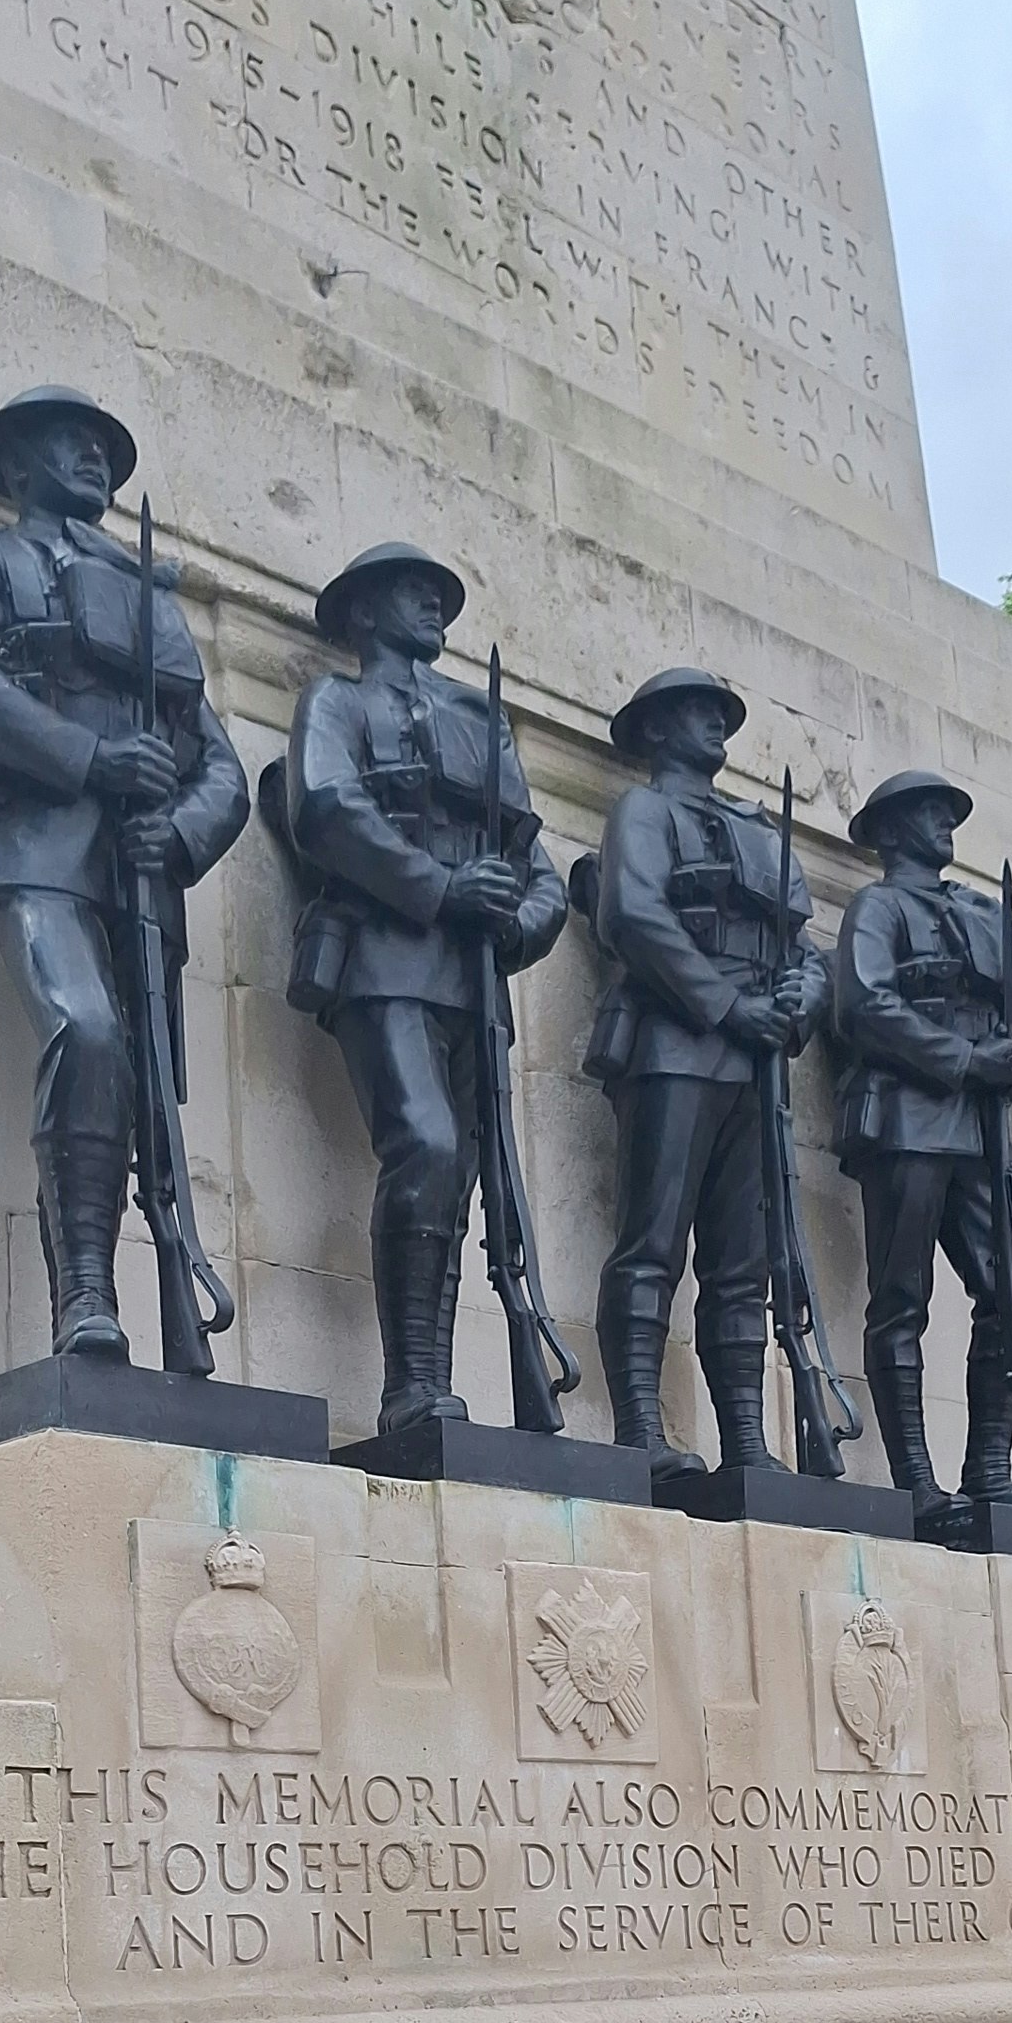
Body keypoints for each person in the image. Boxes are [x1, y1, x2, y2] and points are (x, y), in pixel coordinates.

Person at [0, 384, 250, 1360]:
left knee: (144, 1095)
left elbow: (217, 762)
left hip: (144, 877)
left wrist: (184, 831)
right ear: (19, 465)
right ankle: (86, 1299)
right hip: (37, 846)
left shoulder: (151, 603)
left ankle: (144, 1299)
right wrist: (89, 759)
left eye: (104, 447)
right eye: (72, 444)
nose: (96, 459)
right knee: (86, 1030)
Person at [278, 543, 566, 1437]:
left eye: (440, 595)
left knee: (468, 1178)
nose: (433, 606)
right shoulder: (341, 702)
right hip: (385, 959)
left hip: (476, 982)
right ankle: (410, 1381)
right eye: (413, 594)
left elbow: (538, 866)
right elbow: (326, 805)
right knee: (428, 1149)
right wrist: (440, 888)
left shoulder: (482, 726)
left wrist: (521, 921)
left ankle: (430, 1384)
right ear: (363, 613)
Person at [579, 670, 827, 1479]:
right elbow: (633, 915)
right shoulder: (644, 813)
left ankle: (748, 1444)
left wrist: (803, 996)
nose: (714, 721)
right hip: (675, 1044)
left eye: (721, 710)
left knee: (744, 1264)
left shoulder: (762, 833)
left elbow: (805, 949)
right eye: (695, 711)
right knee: (652, 1244)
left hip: (756, 1059)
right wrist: (727, 1005)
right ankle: (641, 1428)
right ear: (654, 731)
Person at [831, 768, 1012, 1536]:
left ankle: (988, 1468)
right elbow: (865, 1005)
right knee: (903, 1299)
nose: (943, 822)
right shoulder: (878, 908)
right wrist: (967, 1062)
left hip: (982, 1128)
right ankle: (917, 1480)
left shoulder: (982, 916)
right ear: (891, 831)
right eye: (926, 813)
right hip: (906, 1120)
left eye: (947, 811)